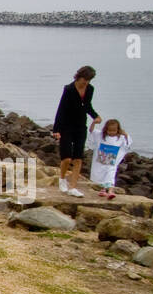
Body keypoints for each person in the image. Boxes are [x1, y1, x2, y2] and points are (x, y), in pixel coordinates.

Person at [52, 64, 100, 195]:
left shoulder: (90, 89)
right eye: (85, 79)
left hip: (80, 126)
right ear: (79, 77)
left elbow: (87, 106)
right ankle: (62, 179)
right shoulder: (69, 89)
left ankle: (73, 187)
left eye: (89, 80)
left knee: (78, 158)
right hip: (66, 126)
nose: (86, 82)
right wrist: (56, 129)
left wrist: (95, 116)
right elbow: (61, 109)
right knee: (66, 158)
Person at [89, 118, 131, 197]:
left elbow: (127, 144)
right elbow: (91, 131)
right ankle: (103, 190)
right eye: (109, 131)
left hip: (112, 162)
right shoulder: (101, 136)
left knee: (110, 175)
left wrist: (125, 135)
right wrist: (93, 123)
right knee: (100, 176)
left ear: (118, 130)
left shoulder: (120, 138)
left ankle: (111, 191)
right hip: (101, 161)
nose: (112, 133)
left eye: (114, 131)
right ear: (106, 129)